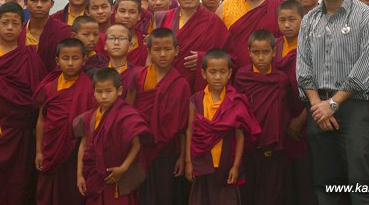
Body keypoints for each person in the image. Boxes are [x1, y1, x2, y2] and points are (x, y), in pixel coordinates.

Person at [296, 0, 369, 205]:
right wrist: (317, 105)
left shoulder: (365, 16)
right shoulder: (310, 20)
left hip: (352, 106)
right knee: (325, 179)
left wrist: (332, 104)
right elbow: (303, 67)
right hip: (317, 108)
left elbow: (365, 67)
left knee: (359, 178)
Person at [0, 2, 47, 205]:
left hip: (21, 132)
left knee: (17, 185)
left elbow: (40, 99)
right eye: (5, 22)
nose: (10, 27)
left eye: (15, 23)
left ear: (22, 27)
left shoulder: (30, 58)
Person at [185, 49, 261, 205]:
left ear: (230, 73)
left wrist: (236, 166)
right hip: (202, 163)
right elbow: (190, 131)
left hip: (226, 164)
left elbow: (240, 136)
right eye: (213, 72)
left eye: (222, 72)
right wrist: (188, 162)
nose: (218, 77)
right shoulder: (196, 100)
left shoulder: (235, 101)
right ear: (203, 74)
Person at [127, 28, 190, 205]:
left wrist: (183, 157)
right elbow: (128, 113)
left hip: (168, 152)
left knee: (165, 195)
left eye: (168, 49)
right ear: (149, 51)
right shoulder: (138, 76)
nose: (163, 54)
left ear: (176, 51)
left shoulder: (181, 83)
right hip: (139, 148)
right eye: (157, 49)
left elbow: (183, 126)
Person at [233, 29, 295, 205]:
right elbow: (238, 109)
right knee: (248, 190)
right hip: (248, 144)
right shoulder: (242, 76)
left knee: (271, 192)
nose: (261, 58)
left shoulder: (281, 79)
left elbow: (286, 109)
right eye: (256, 53)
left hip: (273, 144)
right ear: (249, 52)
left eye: (266, 52)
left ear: (274, 53)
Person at [34, 38, 97, 205]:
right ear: (57, 61)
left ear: (84, 60)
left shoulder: (89, 88)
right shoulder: (49, 87)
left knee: (72, 195)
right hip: (51, 149)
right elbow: (41, 120)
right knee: (47, 192)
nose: (70, 63)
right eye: (65, 58)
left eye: (75, 58)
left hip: (75, 152)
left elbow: (90, 128)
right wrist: (39, 151)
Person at [75, 68, 150, 204]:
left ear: (119, 90)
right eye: (99, 92)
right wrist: (79, 174)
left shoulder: (127, 115)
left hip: (119, 178)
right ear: (94, 92)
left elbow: (136, 144)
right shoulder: (89, 117)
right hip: (95, 176)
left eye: (108, 91)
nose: (103, 96)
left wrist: (123, 168)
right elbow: (84, 145)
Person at [154, 0, 233, 93]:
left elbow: (228, 57)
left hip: (200, 92)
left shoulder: (214, 23)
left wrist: (204, 59)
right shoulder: (162, 18)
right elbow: (152, 53)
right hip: (164, 86)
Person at [275, 0, 316, 205]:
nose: (287, 25)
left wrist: (301, 119)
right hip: (279, 123)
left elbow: (321, 88)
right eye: (282, 20)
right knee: (284, 182)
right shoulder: (272, 47)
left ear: (303, 20)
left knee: (305, 178)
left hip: (307, 120)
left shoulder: (312, 47)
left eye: (292, 19)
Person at [217, 0, 281, 71]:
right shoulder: (225, 7)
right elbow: (215, 45)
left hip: (271, 79)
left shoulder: (278, 8)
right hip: (234, 78)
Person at [20, 0, 73, 75]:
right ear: (25, 3)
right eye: (34, 0)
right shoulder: (19, 33)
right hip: (22, 85)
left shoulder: (64, 32)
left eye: (44, 0)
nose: (39, 5)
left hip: (54, 86)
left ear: (52, 3)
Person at [114, 0, 148, 66]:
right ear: (115, 13)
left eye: (132, 12)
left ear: (139, 16)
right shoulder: (103, 39)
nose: (126, 16)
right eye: (122, 11)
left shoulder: (144, 39)